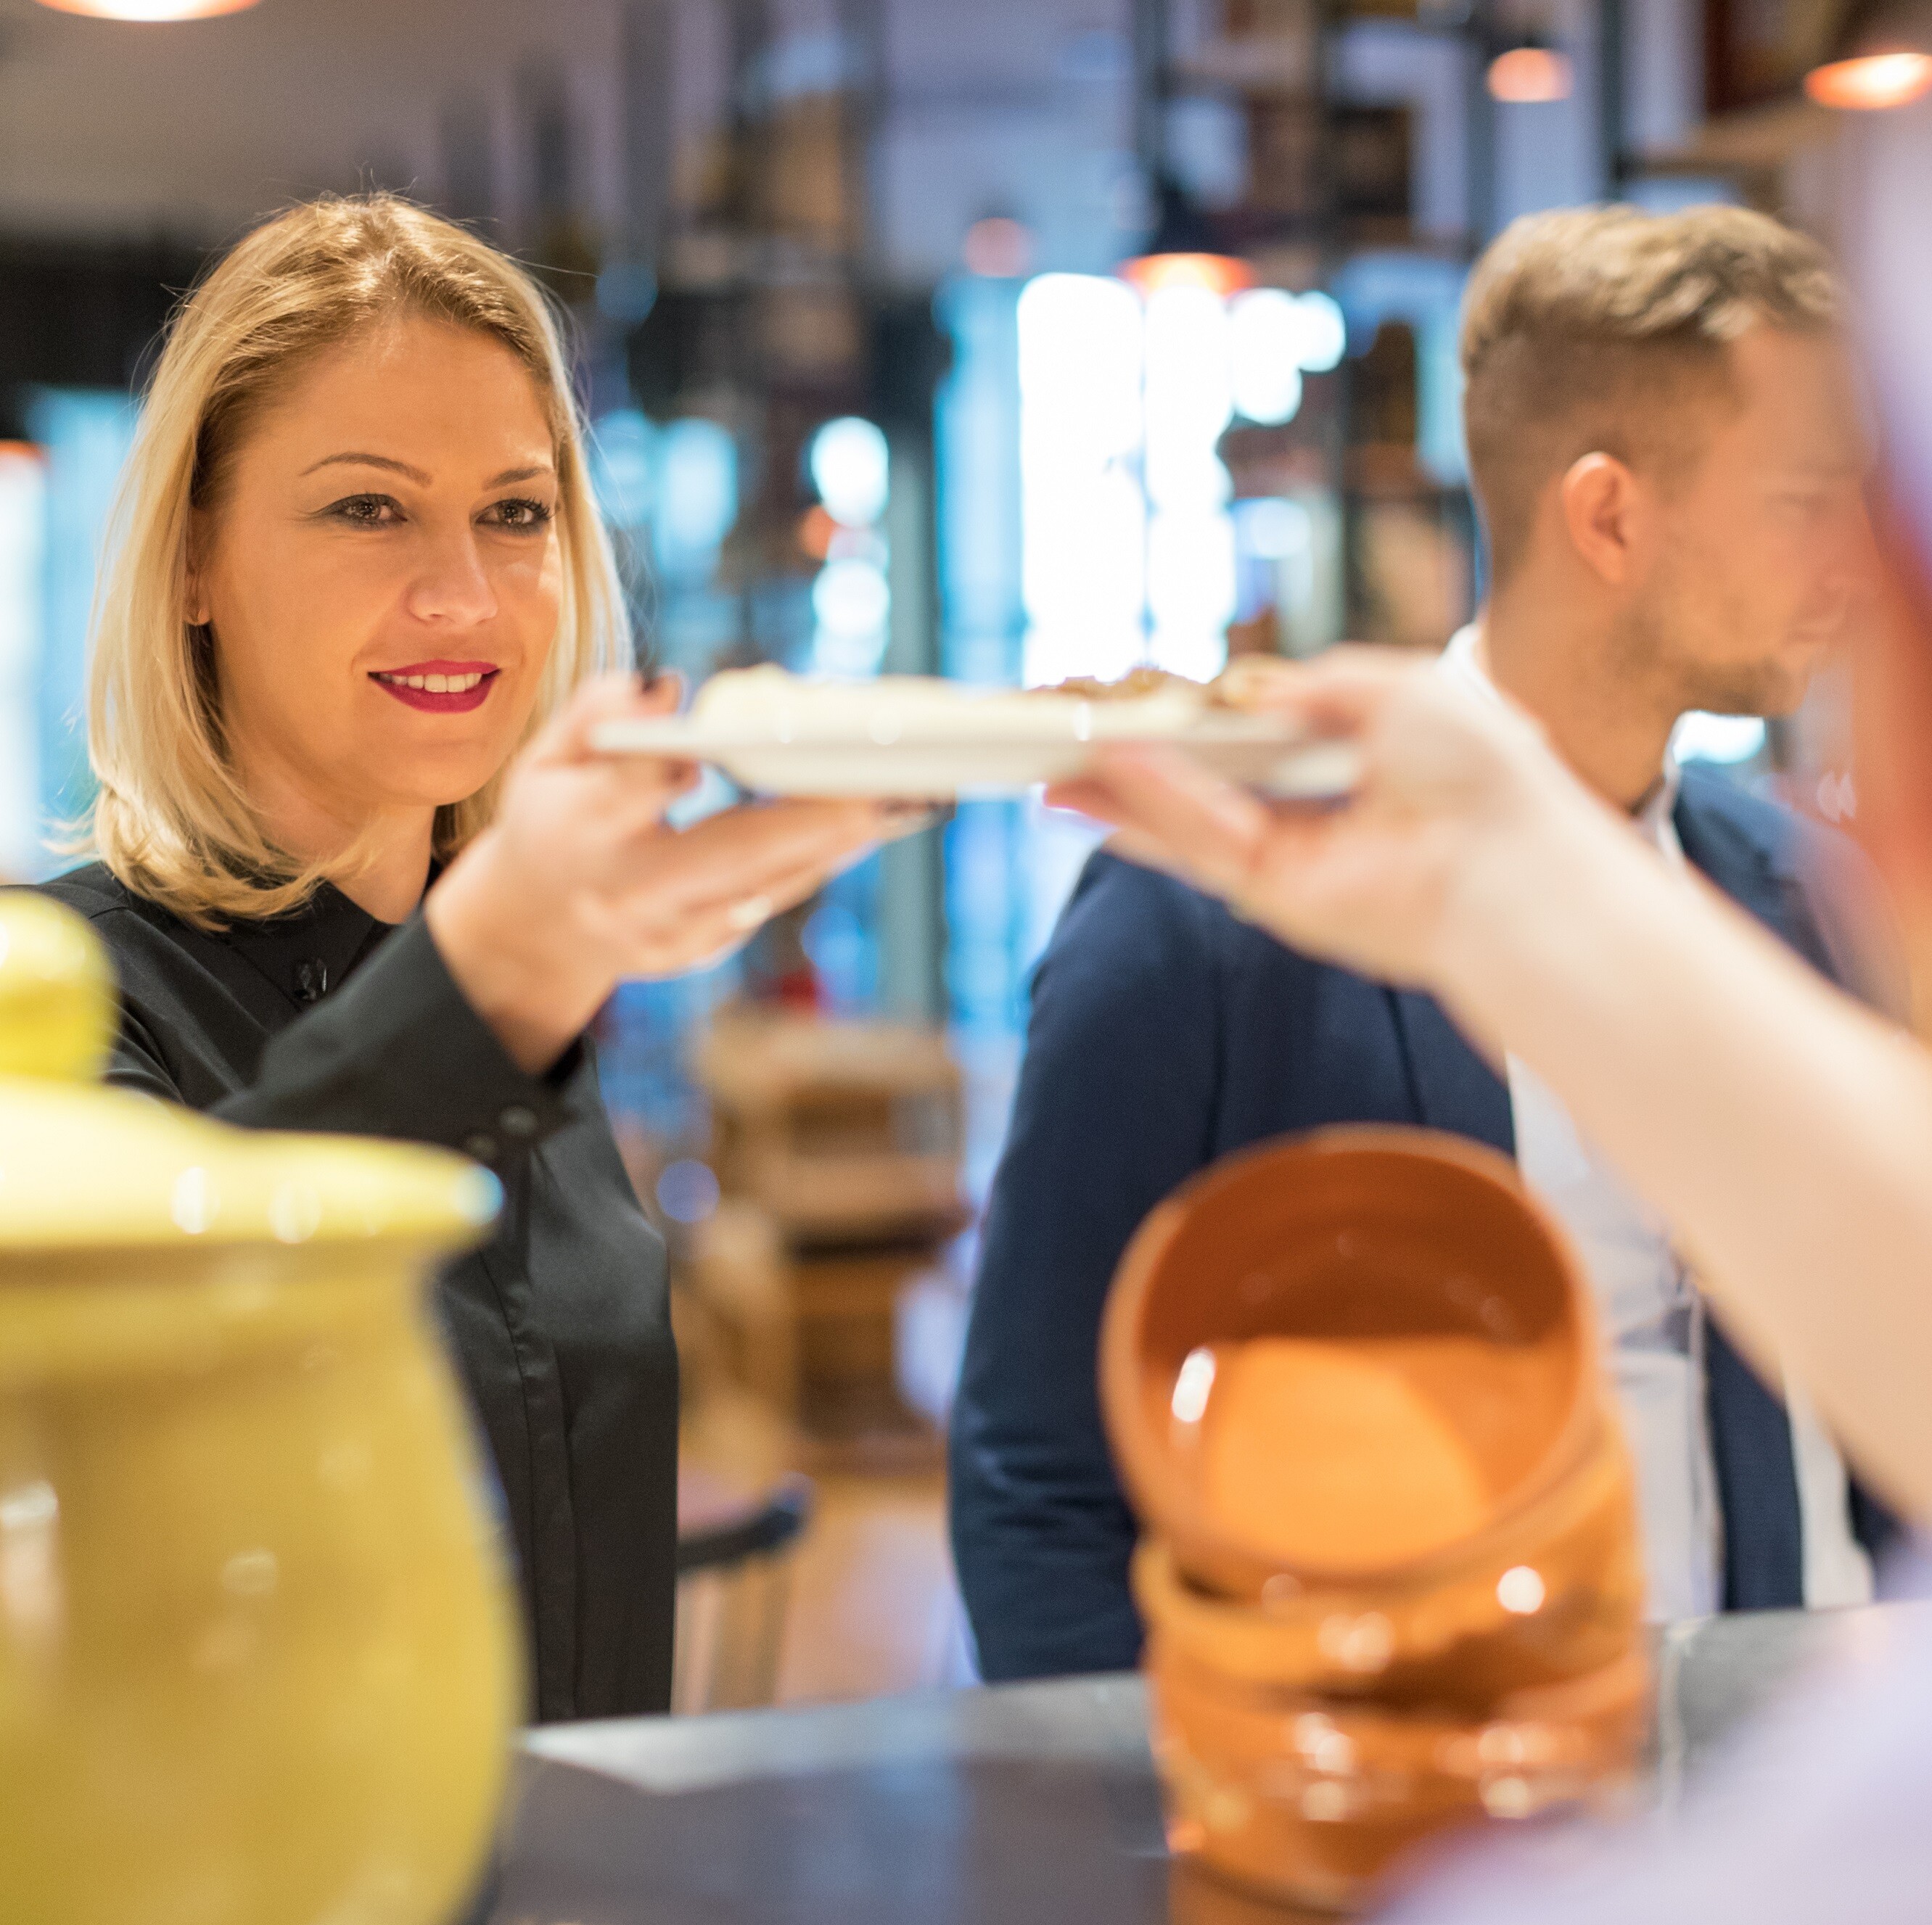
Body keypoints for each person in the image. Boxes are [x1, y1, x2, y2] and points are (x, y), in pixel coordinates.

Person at [950, 203, 1896, 1682]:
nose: (1854, 556)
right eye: (1801, 499)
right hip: (1422, 1827)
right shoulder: (1211, 908)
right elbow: (1039, 1479)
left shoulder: (1813, 895)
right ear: (1610, 515)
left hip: (1814, 1800)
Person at [41, 194, 909, 1723]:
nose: (465, 594)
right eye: (367, 509)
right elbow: (144, 1391)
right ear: (190, 559)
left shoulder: (535, 1009)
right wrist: (501, 966)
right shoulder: (60, 1002)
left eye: (515, 513)